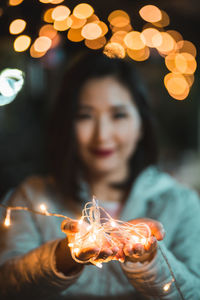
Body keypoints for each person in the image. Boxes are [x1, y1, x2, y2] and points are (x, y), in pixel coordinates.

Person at [0, 51, 200, 300]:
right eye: (85, 116)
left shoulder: (181, 203)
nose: (102, 135)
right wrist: (63, 256)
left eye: (118, 115)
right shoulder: (29, 199)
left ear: (141, 124)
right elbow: (8, 287)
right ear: (67, 125)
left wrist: (151, 262)